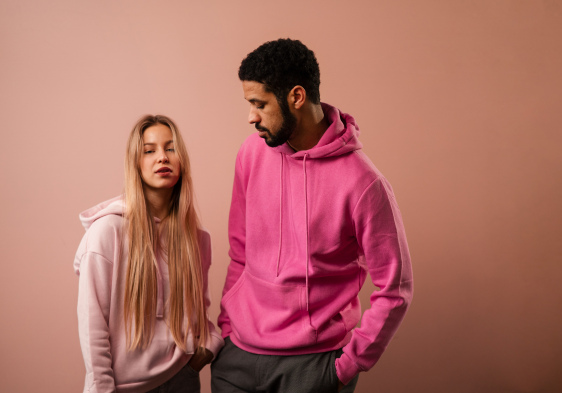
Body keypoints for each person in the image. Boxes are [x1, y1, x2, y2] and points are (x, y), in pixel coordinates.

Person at [211, 39, 413, 393]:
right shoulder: (250, 153)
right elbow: (239, 253)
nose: (251, 116)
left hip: (314, 365)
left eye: (260, 104)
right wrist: (227, 328)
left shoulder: (363, 183)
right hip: (238, 358)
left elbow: (395, 287)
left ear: (297, 97)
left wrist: (348, 365)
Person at [74, 115, 223, 393]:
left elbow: (199, 308)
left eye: (170, 148)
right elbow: (92, 325)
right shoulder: (107, 233)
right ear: (136, 163)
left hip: (183, 378)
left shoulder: (196, 237)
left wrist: (209, 345)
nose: (162, 158)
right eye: (149, 150)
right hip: (123, 387)